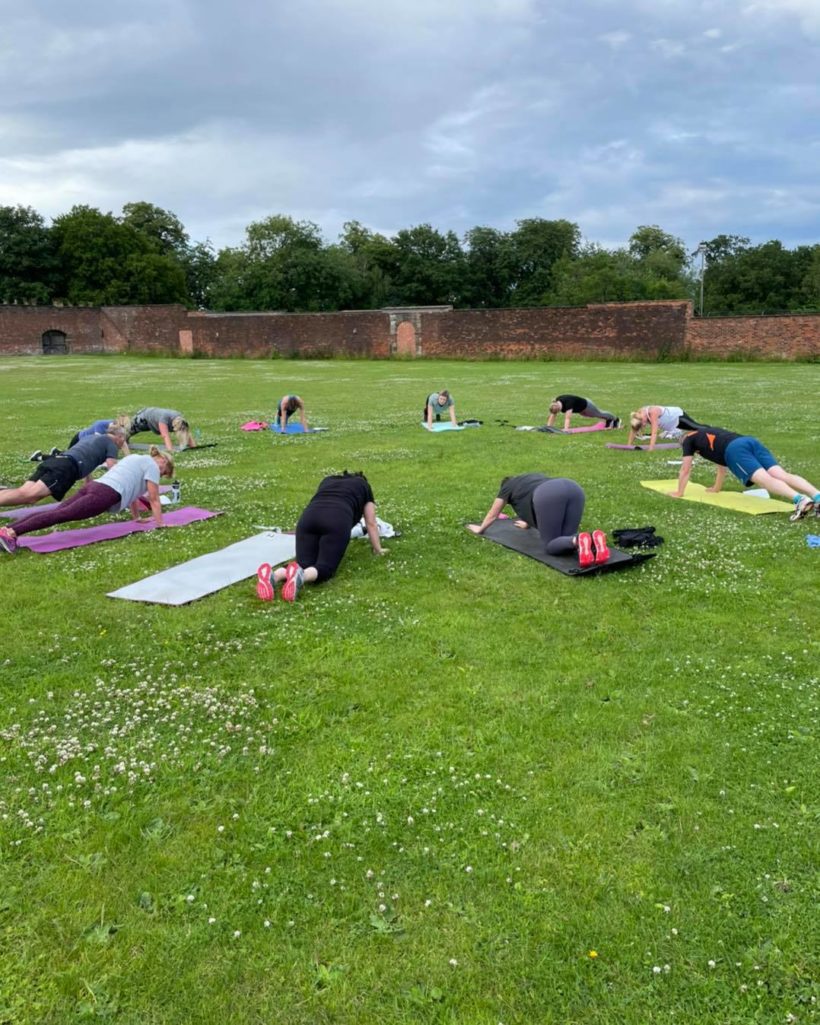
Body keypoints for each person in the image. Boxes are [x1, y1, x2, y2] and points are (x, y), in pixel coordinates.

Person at [0, 448, 174, 554]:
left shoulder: (134, 458)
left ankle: (8, 530)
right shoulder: (152, 465)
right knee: (60, 515)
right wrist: (160, 524)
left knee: (55, 512)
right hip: (104, 494)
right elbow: (154, 498)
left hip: (94, 486)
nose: (162, 475)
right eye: (165, 472)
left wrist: (136, 519)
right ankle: (11, 533)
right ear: (163, 461)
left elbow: (132, 493)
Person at [256, 471, 386, 602]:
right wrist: (378, 549)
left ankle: (273, 576)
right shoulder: (363, 485)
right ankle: (301, 576)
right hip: (337, 518)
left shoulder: (328, 480)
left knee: (303, 563)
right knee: (325, 568)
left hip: (309, 518)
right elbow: (371, 522)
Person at [667, 425, 819, 520]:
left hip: (734, 449)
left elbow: (685, 469)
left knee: (764, 479)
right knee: (780, 474)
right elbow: (721, 466)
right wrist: (716, 488)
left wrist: (679, 492)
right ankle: (817, 496)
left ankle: (800, 500)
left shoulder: (688, 440)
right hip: (749, 441)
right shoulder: (704, 433)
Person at [467, 472, 610, 567]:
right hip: (573, 488)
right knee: (566, 539)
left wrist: (480, 529)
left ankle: (578, 540)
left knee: (552, 545)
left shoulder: (507, 487)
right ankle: (590, 538)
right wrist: (527, 522)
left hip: (549, 494)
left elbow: (493, 514)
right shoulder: (530, 478)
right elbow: (529, 503)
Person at [0, 427, 128, 509]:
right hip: (65, 469)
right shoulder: (111, 444)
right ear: (119, 437)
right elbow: (113, 469)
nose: (124, 444)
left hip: (56, 461)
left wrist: (89, 488)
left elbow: (84, 458)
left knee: (23, 491)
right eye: (124, 440)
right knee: (30, 496)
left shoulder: (91, 437)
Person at [627, 405, 703, 450]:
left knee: (696, 427)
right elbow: (633, 430)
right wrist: (628, 445)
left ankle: (712, 431)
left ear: (642, 419)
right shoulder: (639, 415)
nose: (643, 425)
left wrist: (651, 448)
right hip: (672, 425)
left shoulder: (652, 412)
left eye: (642, 424)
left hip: (677, 417)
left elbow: (654, 432)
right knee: (694, 429)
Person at [130, 408, 195, 451]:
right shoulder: (163, 419)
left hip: (152, 419)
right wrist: (170, 450)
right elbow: (165, 436)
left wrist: (193, 447)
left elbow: (186, 432)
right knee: (128, 431)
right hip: (143, 418)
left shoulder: (180, 419)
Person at [546, 395, 620, 430]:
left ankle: (615, 419)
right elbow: (553, 414)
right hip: (581, 410)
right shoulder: (556, 402)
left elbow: (567, 418)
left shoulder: (568, 404)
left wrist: (566, 429)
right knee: (593, 415)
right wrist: (548, 427)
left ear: (559, 408)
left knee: (599, 414)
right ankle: (609, 420)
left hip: (587, 406)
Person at [66, 414, 132, 450]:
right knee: (68, 454)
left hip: (88, 442)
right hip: (79, 439)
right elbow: (96, 443)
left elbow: (123, 444)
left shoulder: (116, 428)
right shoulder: (100, 425)